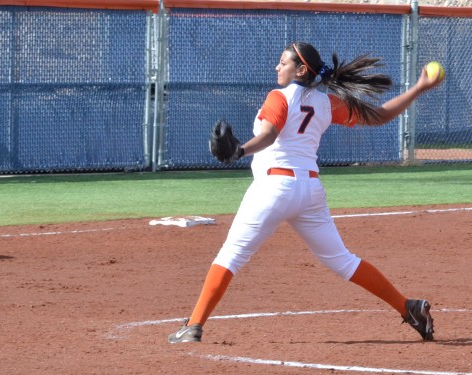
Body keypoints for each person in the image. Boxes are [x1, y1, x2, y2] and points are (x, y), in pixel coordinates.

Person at [168, 42, 443, 344]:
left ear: (300, 70)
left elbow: (269, 135)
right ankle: (408, 307)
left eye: (282, 62)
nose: (277, 67)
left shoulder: (279, 96)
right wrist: (418, 87)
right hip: (310, 191)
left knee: (231, 255)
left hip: (274, 189)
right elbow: (378, 116)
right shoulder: (326, 103)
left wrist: (239, 151)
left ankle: (193, 325)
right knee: (343, 261)